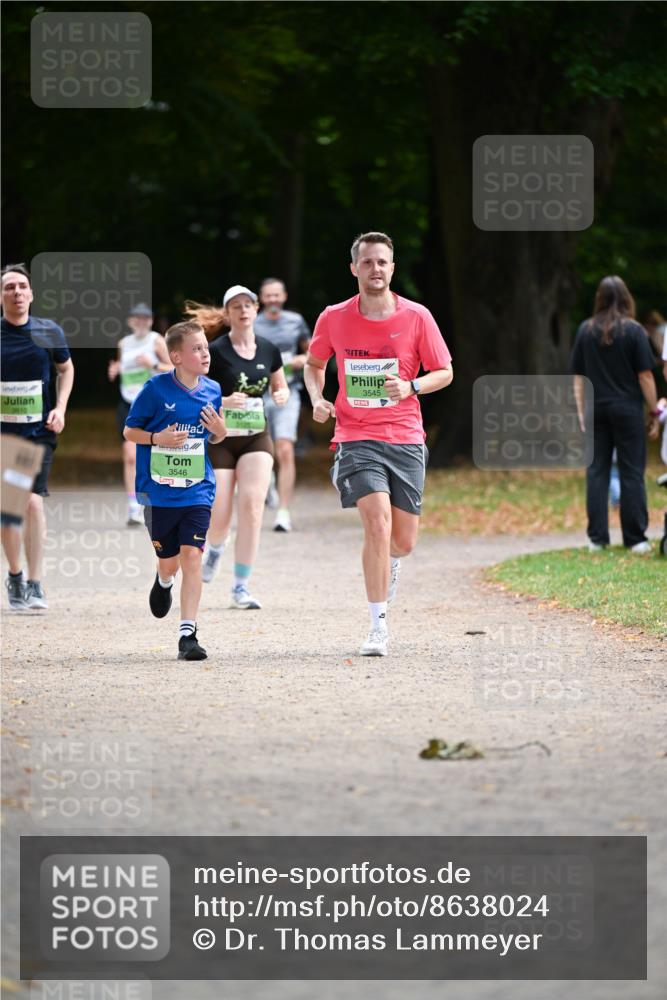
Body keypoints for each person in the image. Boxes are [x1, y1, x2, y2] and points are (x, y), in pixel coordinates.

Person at [304, 232, 453, 656]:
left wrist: (410, 386)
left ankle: (389, 563)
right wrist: (317, 398)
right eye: (367, 262)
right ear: (354, 268)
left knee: (402, 542)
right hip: (355, 437)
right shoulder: (333, 317)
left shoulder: (417, 316)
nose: (375, 269)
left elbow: (445, 371)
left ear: (393, 268)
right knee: (378, 523)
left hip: (405, 436)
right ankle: (378, 626)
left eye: (382, 262)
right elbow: (315, 365)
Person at [123, 320, 227, 660]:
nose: (204, 354)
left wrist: (220, 431)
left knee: (192, 556)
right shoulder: (155, 390)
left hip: (197, 488)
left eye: (206, 348)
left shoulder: (212, 389)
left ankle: (188, 635)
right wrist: (158, 439)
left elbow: (216, 436)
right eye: (196, 349)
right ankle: (163, 580)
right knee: (169, 562)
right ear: (177, 356)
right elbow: (130, 432)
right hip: (158, 491)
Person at [187, 286, 289, 608]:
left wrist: (281, 394)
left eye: (248, 305)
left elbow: (279, 383)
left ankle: (241, 586)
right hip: (220, 437)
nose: (243, 310)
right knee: (219, 511)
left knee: (252, 504)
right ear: (228, 313)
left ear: (256, 309)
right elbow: (192, 386)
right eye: (236, 306)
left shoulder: (270, 349)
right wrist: (222, 400)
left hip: (256, 436)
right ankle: (216, 547)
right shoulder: (215, 351)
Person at [1, 263, 74, 610]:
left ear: (31, 294)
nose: (16, 292)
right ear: (1, 296)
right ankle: (14, 575)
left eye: (21, 286)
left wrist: (60, 407)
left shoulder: (48, 331)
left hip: (39, 431)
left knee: (31, 501)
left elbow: (66, 368)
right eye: (9, 287)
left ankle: (35, 582)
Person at [570, 275, 660, 554]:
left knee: (597, 471)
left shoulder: (585, 330)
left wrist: (581, 412)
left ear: (599, 298)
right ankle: (635, 538)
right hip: (627, 409)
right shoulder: (634, 331)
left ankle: (597, 538)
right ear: (626, 299)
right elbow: (645, 376)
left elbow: (578, 378)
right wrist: (655, 411)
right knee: (632, 471)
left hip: (596, 410)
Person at [254, 277, 311, 532]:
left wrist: (302, 358)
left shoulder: (295, 322)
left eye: (277, 295)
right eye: (269, 296)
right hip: (258, 394)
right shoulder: (253, 324)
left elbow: (314, 353)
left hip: (288, 392)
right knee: (263, 449)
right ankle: (271, 481)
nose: (273, 300)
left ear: (284, 297)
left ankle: (283, 513)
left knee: (285, 449)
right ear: (262, 299)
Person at [108, 303, 171, 525]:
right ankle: (134, 506)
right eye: (136, 318)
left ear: (151, 320)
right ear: (130, 321)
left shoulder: (156, 341)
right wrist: (115, 370)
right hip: (128, 404)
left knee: (152, 456)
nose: (141, 322)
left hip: (153, 406)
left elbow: (174, 369)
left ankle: (159, 501)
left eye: (145, 318)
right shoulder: (123, 344)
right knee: (131, 456)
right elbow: (121, 366)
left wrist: (153, 363)